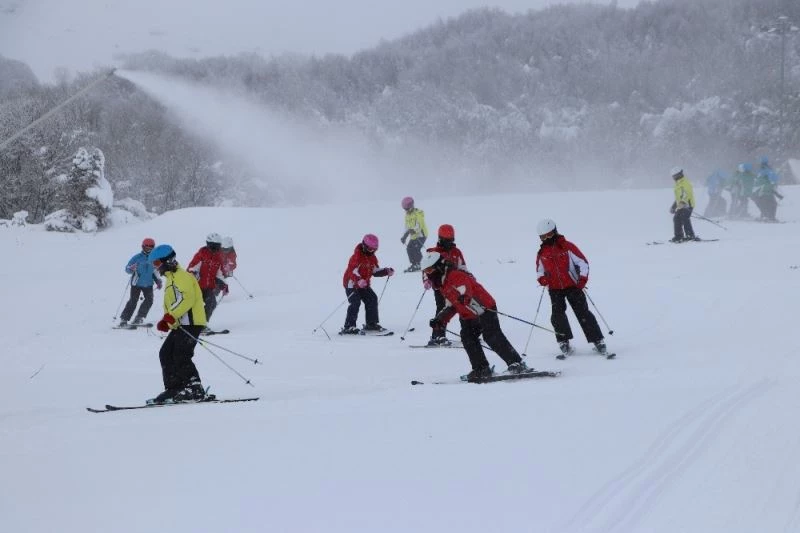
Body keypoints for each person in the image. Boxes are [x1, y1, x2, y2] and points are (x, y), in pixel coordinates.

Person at [422, 251, 527, 382]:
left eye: (430, 269)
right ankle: (481, 368)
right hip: (467, 314)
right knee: (467, 338)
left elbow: (466, 289)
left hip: (483, 307)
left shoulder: (455, 275)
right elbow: (451, 304)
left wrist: (465, 297)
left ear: (439, 266)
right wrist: (440, 319)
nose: (429, 274)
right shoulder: (443, 283)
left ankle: (516, 363)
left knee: (491, 336)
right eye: (426, 271)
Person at [146, 244, 209, 404]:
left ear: (167, 261)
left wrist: (170, 317)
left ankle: (195, 389)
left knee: (182, 355)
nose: (156, 268)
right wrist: (170, 321)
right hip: (181, 324)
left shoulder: (182, 276)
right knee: (166, 353)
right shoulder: (171, 279)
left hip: (191, 322)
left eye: (157, 264)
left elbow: (187, 298)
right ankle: (175, 388)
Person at [535, 219, 607, 357]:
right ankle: (564, 341)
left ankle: (598, 340)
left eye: (549, 235)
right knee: (557, 315)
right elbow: (539, 270)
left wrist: (582, 280)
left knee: (583, 313)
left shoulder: (567, 247)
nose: (547, 239)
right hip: (555, 289)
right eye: (543, 237)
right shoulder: (542, 253)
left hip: (573, 286)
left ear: (555, 232)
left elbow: (583, 263)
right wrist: (542, 279)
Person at [423, 224, 469, 346]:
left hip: (456, 287)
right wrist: (426, 281)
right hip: (440, 286)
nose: (449, 243)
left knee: (463, 307)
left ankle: (468, 334)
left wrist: (469, 277)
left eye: (451, 240)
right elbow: (426, 269)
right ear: (440, 238)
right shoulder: (434, 252)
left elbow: (462, 267)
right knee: (442, 308)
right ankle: (438, 336)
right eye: (446, 240)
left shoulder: (456, 252)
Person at [340, 234, 395, 334]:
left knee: (372, 298)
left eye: (374, 249)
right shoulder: (356, 257)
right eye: (370, 249)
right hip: (351, 284)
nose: (372, 251)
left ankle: (371, 323)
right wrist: (359, 280)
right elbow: (352, 271)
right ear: (364, 246)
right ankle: (349, 326)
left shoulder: (372, 258)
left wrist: (386, 271)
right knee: (355, 302)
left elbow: (374, 271)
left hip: (364, 284)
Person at [118, 237, 162, 327]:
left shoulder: (155, 259)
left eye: (151, 248)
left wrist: (158, 281)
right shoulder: (137, 257)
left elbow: (156, 271)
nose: (149, 249)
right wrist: (131, 268)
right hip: (136, 283)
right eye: (147, 247)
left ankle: (139, 318)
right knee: (133, 301)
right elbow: (127, 269)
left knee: (149, 300)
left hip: (149, 284)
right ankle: (124, 320)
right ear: (143, 247)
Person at [187, 233, 227, 322]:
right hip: (196, 286)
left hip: (208, 287)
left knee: (212, 303)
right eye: (213, 247)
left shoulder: (218, 257)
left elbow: (219, 273)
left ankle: (201, 325)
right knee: (194, 306)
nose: (216, 250)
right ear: (208, 244)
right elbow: (192, 267)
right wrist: (193, 273)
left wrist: (223, 284)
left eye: (218, 247)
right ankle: (187, 325)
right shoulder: (201, 254)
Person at [668, 167, 698, 242]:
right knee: (676, 218)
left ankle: (690, 235)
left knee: (685, 218)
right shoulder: (677, 184)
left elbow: (688, 194)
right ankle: (679, 236)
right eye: (673, 176)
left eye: (674, 176)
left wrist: (683, 202)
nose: (673, 178)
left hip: (688, 205)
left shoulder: (685, 182)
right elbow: (678, 198)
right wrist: (673, 206)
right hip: (681, 206)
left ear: (679, 174)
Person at [400, 196, 428, 272]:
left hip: (421, 235)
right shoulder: (407, 215)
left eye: (407, 208)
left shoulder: (417, 214)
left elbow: (420, 225)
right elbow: (406, 226)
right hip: (414, 236)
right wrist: (404, 236)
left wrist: (415, 230)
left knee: (416, 249)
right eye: (405, 209)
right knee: (409, 248)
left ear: (411, 206)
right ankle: (414, 264)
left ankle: (420, 264)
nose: (406, 210)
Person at [752, 158, 783, 222]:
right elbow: (772, 180)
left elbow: (758, 181)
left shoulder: (761, 171)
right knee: (772, 204)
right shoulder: (767, 171)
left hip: (762, 192)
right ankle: (769, 217)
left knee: (765, 204)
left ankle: (765, 216)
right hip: (765, 191)